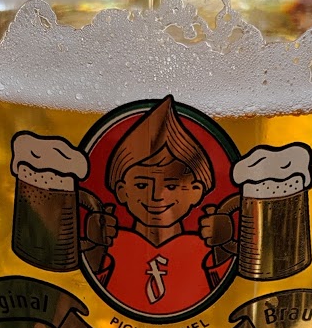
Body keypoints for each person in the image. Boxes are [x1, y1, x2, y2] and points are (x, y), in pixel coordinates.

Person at [83, 97, 234, 316]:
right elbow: (86, 293)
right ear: (122, 191)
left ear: (196, 191)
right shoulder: (114, 246)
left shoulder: (202, 250)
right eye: (142, 185)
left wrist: (223, 246)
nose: (155, 196)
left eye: (171, 185)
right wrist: (95, 247)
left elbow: (229, 294)